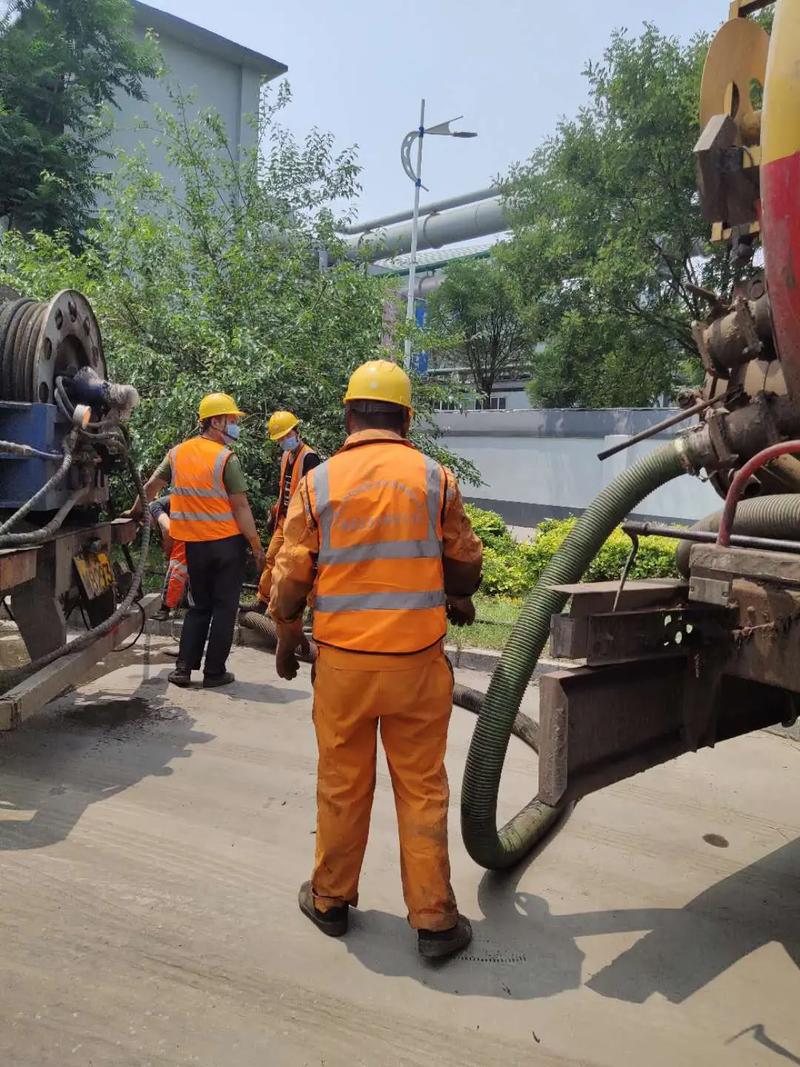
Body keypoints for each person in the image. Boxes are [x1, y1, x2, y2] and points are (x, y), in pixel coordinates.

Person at [270, 360, 483, 960]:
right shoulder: (435, 479)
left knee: (342, 784)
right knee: (421, 788)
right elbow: (466, 564)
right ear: (407, 419)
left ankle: (331, 900)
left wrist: (288, 634)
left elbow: (290, 579)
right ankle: (436, 923)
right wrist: (454, 591)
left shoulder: (320, 482)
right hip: (417, 667)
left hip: (342, 669)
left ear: (348, 415)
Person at [141, 393, 266, 689]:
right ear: (215, 421)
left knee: (198, 607)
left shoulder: (177, 453)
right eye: (232, 420)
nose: (235, 425)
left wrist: (136, 510)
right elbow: (241, 507)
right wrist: (257, 546)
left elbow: (150, 488)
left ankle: (183, 669)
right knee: (224, 608)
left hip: (195, 546)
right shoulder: (225, 458)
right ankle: (214, 673)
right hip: (227, 547)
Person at [255, 411, 321, 612]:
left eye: (287, 435)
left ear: (296, 432)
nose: (285, 440)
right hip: (284, 519)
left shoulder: (310, 457)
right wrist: (275, 511)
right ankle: (262, 600)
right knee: (271, 558)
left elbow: (312, 493)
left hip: (300, 523)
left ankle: (299, 608)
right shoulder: (286, 456)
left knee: (297, 566)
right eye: (281, 438)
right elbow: (285, 488)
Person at [148, 496, 188, 622]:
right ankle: (187, 601)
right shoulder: (167, 502)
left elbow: (167, 529)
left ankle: (164, 609)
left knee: (175, 571)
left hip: (185, 533)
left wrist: (169, 551)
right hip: (200, 528)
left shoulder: (154, 507)